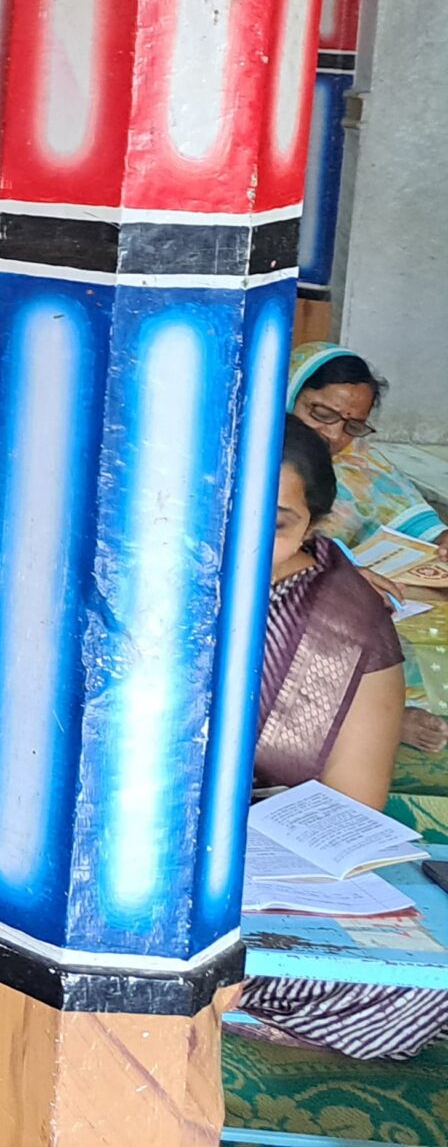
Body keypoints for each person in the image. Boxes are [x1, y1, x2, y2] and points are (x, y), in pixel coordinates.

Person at [237, 421, 448, 1060]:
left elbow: (347, 812)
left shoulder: (344, 620)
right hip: (124, 852)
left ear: (314, 525)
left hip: (256, 872)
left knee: (410, 990)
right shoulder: (144, 583)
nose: (243, 539)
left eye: (276, 524)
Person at [288, 343, 445, 552]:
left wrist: (441, 539)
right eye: (323, 414)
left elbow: (420, 529)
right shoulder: (248, 460)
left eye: (353, 427)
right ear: (285, 396)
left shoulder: (360, 468)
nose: (335, 435)